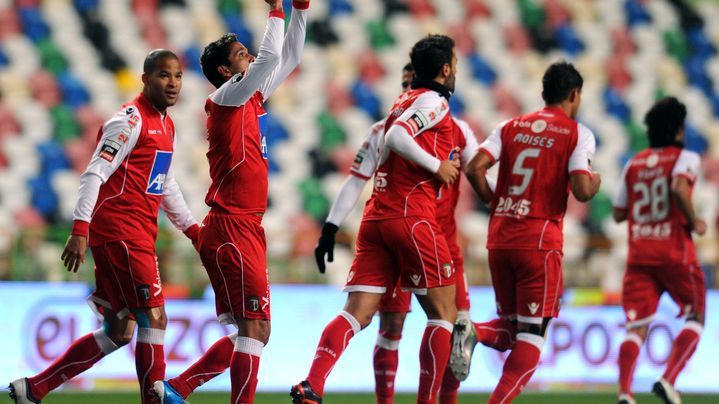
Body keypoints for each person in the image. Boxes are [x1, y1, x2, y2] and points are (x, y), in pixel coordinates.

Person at [8, 49, 199, 404]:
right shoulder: (129, 120)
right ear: (145, 79)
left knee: (119, 330)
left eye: (177, 76)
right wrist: (80, 229)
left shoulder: (167, 124)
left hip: (137, 232)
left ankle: (33, 389)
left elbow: (165, 182)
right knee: (154, 319)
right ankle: (153, 400)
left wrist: (192, 230)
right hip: (121, 231)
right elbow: (94, 172)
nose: (172, 83)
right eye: (163, 75)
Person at [151, 1, 309, 403]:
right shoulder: (226, 98)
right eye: (242, 54)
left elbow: (288, 57)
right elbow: (272, 53)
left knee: (252, 333)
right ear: (226, 71)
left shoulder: (249, 97)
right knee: (255, 330)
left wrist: (301, 10)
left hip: (244, 227)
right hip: (233, 227)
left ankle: (174, 388)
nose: (252, 57)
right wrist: (277, 9)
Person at [291, 34, 461, 404]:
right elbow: (402, 137)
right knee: (443, 314)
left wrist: (330, 229)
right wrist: (438, 166)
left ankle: (312, 384)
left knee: (357, 314)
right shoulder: (434, 102)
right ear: (446, 69)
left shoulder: (389, 116)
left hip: (376, 220)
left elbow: (357, 180)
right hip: (412, 218)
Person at [313, 64, 492, 404]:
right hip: (407, 229)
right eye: (406, 84)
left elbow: (478, 177)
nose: (413, 91)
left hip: (441, 240)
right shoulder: (385, 129)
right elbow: (355, 179)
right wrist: (331, 226)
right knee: (394, 327)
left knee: (457, 336)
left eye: (416, 82)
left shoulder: (458, 130)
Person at [460, 61, 600, 403]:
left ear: (542, 94)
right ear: (575, 95)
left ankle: (473, 331)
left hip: (500, 238)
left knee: (510, 331)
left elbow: (475, 168)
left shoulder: (509, 127)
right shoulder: (577, 133)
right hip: (539, 243)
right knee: (534, 336)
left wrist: (500, 203)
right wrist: (596, 182)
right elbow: (582, 190)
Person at [613, 97, 706, 404]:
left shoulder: (634, 162)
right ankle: (668, 379)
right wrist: (694, 221)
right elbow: (679, 187)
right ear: (679, 130)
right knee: (696, 316)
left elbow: (618, 213)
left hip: (640, 254)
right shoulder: (685, 157)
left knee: (636, 328)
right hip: (675, 252)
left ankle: (625, 393)